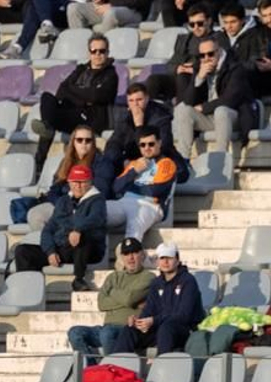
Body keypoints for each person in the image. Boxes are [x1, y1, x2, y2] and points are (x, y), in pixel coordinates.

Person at [9, 164, 107, 290]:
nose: (78, 185)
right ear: (69, 183)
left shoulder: (98, 200)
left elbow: (96, 218)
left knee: (83, 237)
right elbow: (49, 229)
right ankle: (27, 288)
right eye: (75, 182)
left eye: (82, 182)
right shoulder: (63, 201)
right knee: (23, 251)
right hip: (62, 248)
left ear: (89, 182)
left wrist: (78, 229)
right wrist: (50, 251)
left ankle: (79, 279)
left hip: (87, 249)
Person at [30, 33, 120, 170]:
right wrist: (85, 97)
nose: (98, 54)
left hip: (91, 119)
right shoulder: (81, 69)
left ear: (107, 52)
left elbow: (97, 96)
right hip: (71, 113)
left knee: (51, 121)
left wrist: (74, 91)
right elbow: (62, 90)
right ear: (89, 52)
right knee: (47, 97)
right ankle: (47, 128)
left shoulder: (111, 75)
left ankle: (39, 161)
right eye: (94, 51)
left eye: (102, 51)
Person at [67, 237, 153, 360]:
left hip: (127, 329)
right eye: (126, 254)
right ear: (122, 257)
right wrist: (130, 302)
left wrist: (112, 292)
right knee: (75, 332)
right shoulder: (113, 277)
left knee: (107, 333)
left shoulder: (148, 277)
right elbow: (101, 303)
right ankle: (92, 369)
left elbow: (130, 298)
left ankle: (113, 371)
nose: (131, 258)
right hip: (106, 327)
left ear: (142, 255)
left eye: (134, 253)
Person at [110, 243, 204, 355]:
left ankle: (161, 366)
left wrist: (154, 320)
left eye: (169, 258)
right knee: (129, 330)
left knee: (166, 327)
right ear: (158, 261)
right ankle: (116, 367)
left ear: (177, 260)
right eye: (162, 258)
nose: (165, 262)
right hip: (160, 328)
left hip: (184, 329)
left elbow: (184, 315)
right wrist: (139, 321)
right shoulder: (157, 283)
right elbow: (149, 309)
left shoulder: (188, 281)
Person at [171, 36, 253, 154]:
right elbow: (188, 101)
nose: (206, 58)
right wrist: (199, 78)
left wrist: (204, 107)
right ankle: (183, 158)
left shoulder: (235, 67)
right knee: (184, 110)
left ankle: (220, 156)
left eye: (210, 54)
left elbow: (230, 99)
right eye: (202, 55)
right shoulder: (199, 67)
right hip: (209, 118)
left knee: (221, 111)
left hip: (234, 116)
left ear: (218, 51)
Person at [108, 128, 181, 243]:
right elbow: (116, 187)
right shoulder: (135, 164)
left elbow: (156, 190)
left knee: (134, 230)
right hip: (124, 202)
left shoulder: (167, 163)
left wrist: (130, 186)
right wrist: (134, 172)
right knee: (98, 209)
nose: (147, 148)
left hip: (150, 205)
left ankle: (129, 256)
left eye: (151, 144)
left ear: (159, 143)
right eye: (143, 145)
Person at [148, 3, 231, 100]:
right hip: (180, 79)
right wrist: (177, 68)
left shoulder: (218, 38)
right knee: (154, 80)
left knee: (183, 76)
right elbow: (171, 64)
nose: (196, 27)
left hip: (203, 80)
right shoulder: (185, 39)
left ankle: (181, 111)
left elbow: (220, 62)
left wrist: (194, 69)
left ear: (209, 21)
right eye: (192, 24)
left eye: (200, 23)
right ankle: (152, 111)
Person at [105, 83, 174, 166]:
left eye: (139, 100)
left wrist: (139, 126)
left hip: (157, 162)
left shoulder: (160, 117)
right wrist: (123, 161)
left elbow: (163, 147)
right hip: (132, 162)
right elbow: (113, 144)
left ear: (147, 99)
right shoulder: (126, 118)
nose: (135, 104)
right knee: (108, 163)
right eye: (131, 101)